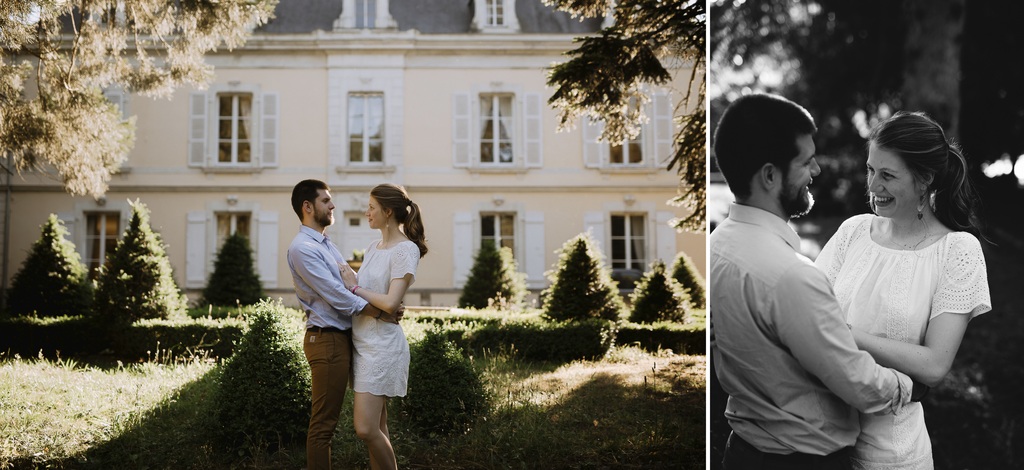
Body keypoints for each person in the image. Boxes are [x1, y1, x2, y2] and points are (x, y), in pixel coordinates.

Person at [710, 93, 921, 470]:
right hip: (801, 460)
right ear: (770, 175)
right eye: (806, 162)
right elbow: (854, 379)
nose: (817, 171)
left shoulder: (717, 245)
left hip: (741, 451)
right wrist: (904, 386)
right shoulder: (792, 276)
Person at [813, 111, 992, 469]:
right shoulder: (853, 231)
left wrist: (846, 334)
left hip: (890, 455)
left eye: (888, 176)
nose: (873, 186)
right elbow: (809, 310)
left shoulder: (957, 251)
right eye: (870, 170)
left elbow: (935, 363)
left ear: (925, 180)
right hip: (821, 441)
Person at [286, 179, 402, 470]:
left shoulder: (326, 244)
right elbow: (337, 294)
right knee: (323, 426)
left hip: (347, 339)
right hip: (327, 342)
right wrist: (380, 312)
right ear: (307, 206)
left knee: (374, 422)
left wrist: (387, 301)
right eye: (326, 201)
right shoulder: (302, 248)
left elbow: (353, 283)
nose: (332, 205)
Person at [338, 183, 427, 470]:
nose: (367, 212)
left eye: (372, 208)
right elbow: (382, 300)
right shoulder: (373, 248)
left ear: (388, 212)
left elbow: (390, 302)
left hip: (382, 347)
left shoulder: (405, 250)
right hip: (361, 342)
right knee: (378, 428)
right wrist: (356, 286)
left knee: (365, 428)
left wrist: (355, 288)